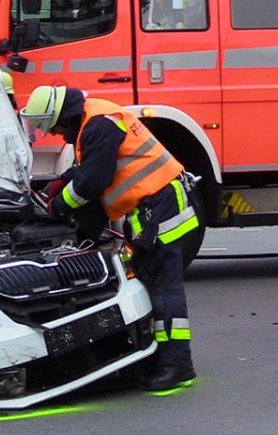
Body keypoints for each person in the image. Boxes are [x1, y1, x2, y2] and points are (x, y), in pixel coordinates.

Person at [21, 85, 198, 390]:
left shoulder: (98, 125)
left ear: (64, 118)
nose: (59, 135)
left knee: (163, 287)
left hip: (160, 208)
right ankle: (153, 356)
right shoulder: (94, 119)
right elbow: (88, 168)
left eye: (57, 129)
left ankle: (177, 364)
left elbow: (92, 182)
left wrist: (57, 206)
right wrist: (59, 183)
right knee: (147, 281)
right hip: (154, 207)